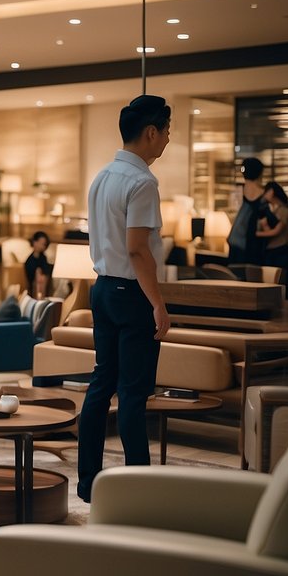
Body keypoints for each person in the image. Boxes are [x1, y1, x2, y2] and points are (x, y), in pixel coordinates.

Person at [76, 95, 172, 503]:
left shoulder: (102, 176)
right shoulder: (142, 181)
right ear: (151, 132)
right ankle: (137, 493)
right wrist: (158, 303)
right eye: (167, 131)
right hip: (132, 295)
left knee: (101, 385)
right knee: (132, 395)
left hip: (102, 290)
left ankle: (88, 483)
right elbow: (137, 249)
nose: (167, 140)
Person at [255, 181, 288, 301]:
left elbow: (276, 231)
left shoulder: (284, 210)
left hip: (282, 250)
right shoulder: (275, 210)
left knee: (281, 282)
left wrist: (256, 234)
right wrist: (264, 226)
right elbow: (271, 231)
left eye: (266, 191)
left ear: (272, 192)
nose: (264, 195)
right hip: (274, 249)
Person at [227, 157, 266, 266]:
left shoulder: (237, 192)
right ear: (260, 173)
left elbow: (231, 215)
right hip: (256, 242)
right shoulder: (265, 195)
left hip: (236, 241)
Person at [24, 230, 53, 298]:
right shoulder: (29, 261)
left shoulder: (44, 258)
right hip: (33, 291)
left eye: (44, 244)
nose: (42, 246)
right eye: (41, 243)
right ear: (34, 242)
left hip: (44, 290)